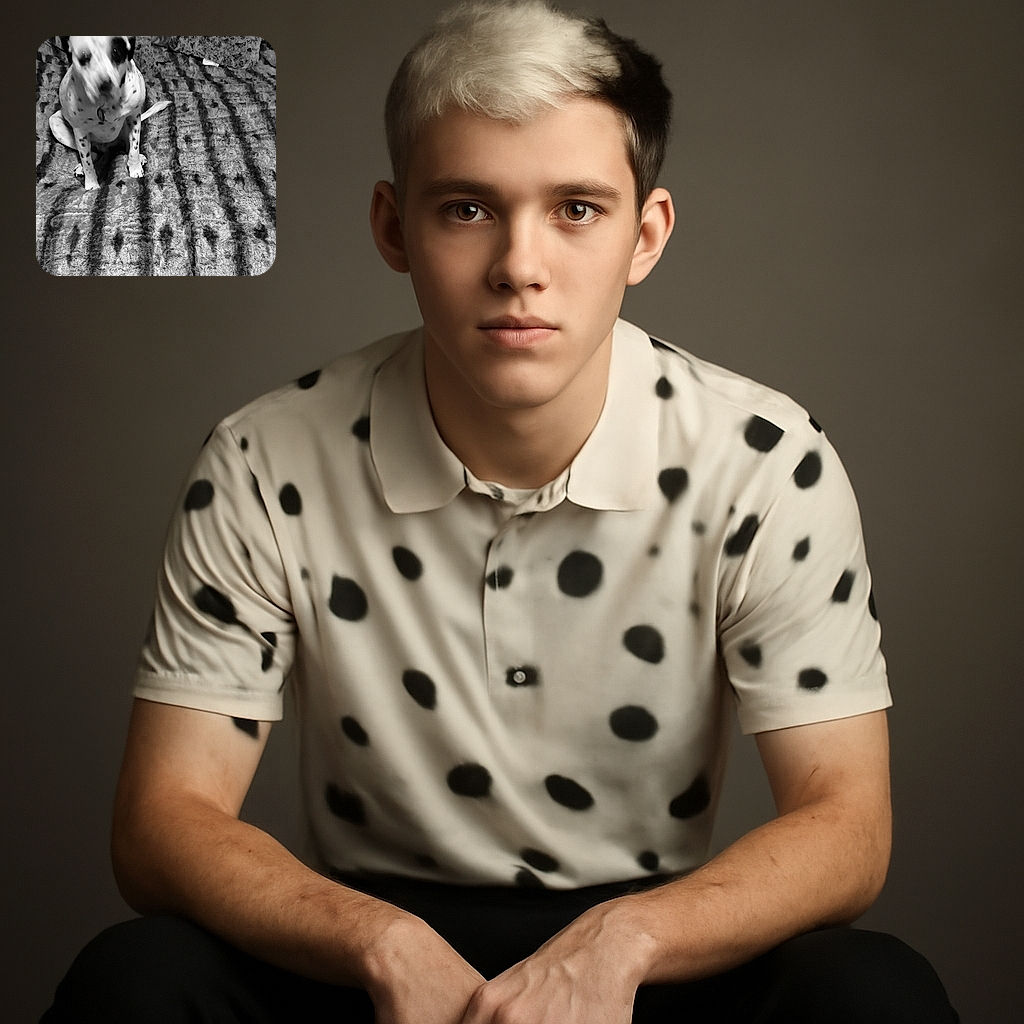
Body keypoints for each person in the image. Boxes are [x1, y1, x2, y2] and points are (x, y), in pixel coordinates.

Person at [43, 2, 959, 1021]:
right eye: (467, 208)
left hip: (653, 948)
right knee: (134, 980)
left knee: (876, 992)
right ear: (394, 227)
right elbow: (161, 821)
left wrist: (626, 941)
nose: (520, 266)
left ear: (644, 235)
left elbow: (848, 826)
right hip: (356, 943)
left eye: (576, 208)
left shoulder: (765, 460)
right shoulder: (265, 456)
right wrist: (379, 941)